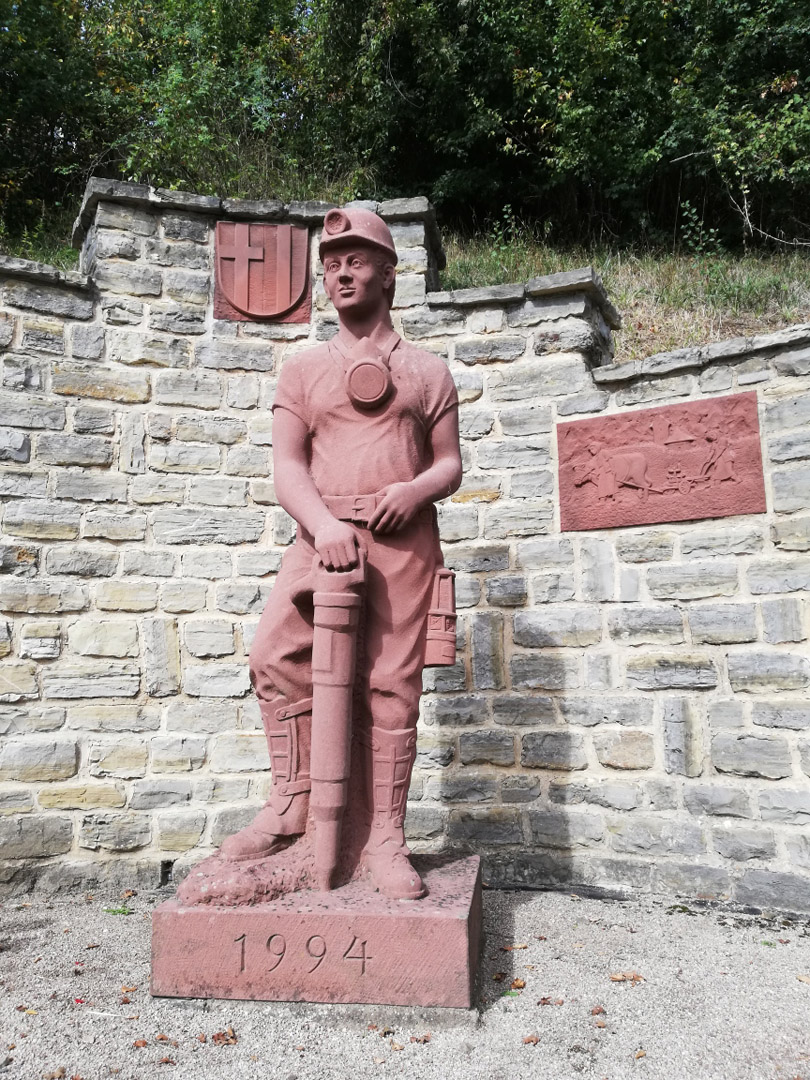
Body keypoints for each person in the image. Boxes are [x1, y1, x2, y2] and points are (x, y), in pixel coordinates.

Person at [217, 208, 462, 900]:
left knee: (391, 685)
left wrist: (413, 491)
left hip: (401, 544)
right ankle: (293, 802)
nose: (341, 274)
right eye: (330, 265)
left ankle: (385, 836)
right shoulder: (303, 370)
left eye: (356, 261)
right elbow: (288, 468)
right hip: (321, 539)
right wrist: (323, 524)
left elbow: (449, 464)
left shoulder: (427, 371)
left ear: (389, 273)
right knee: (273, 655)